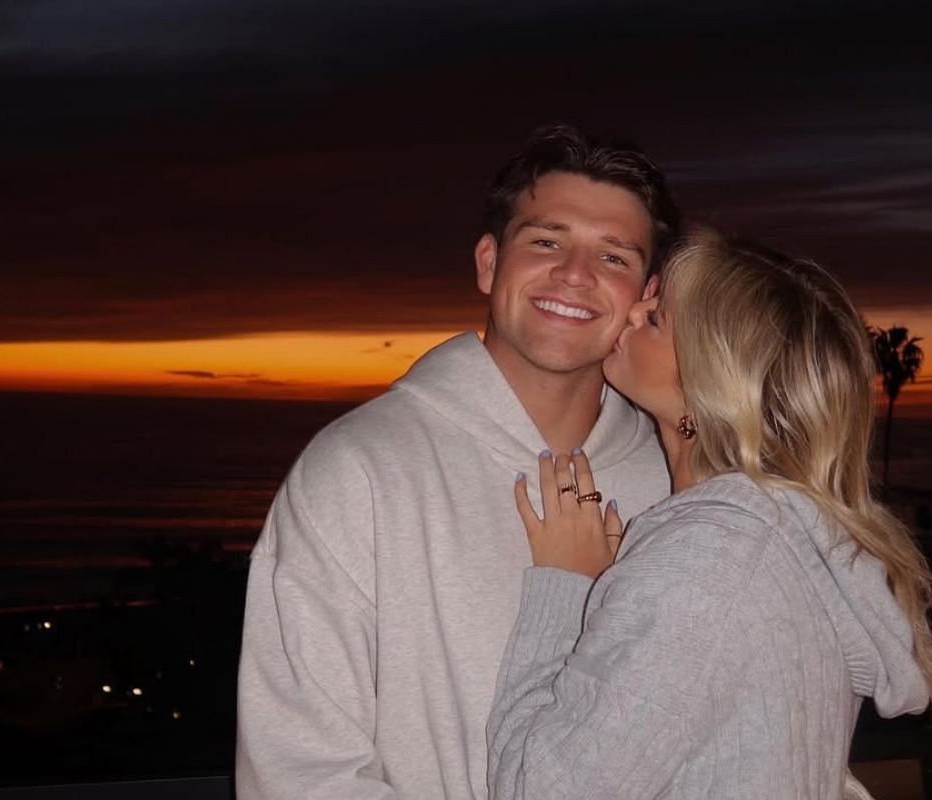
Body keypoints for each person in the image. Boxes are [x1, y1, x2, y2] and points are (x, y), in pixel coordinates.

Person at [235, 125, 681, 799]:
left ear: (645, 294)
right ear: (487, 262)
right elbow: (301, 772)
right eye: (546, 241)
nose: (575, 274)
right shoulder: (361, 471)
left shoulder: (678, 483)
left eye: (614, 257)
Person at [488, 228, 932, 799]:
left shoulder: (711, 559)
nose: (632, 312)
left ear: (708, 384)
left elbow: (538, 791)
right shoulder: (781, 541)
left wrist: (567, 591)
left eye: (657, 318)